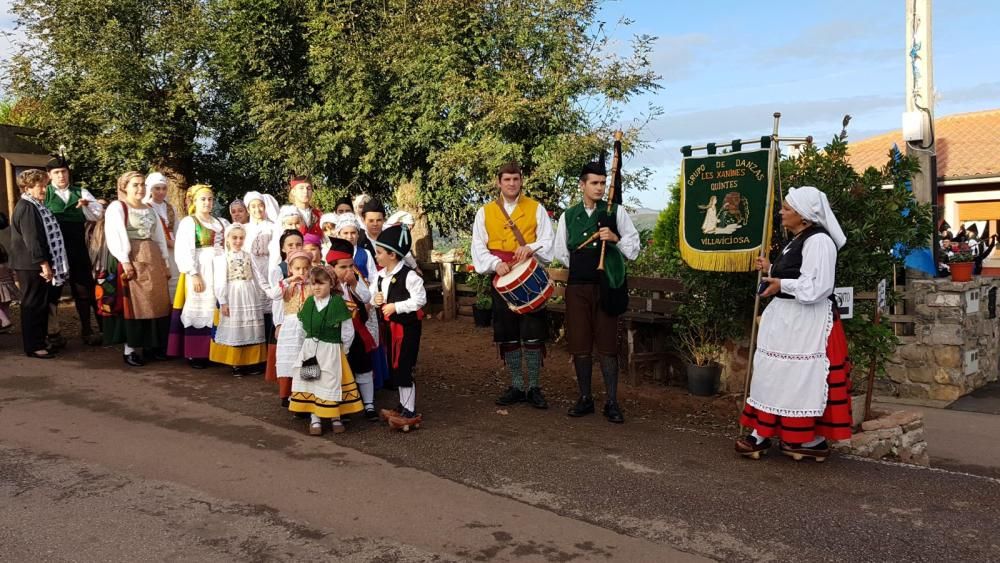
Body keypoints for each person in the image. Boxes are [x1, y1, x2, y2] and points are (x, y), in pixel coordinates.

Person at [736, 186, 853, 462]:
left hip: (806, 324)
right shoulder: (799, 239)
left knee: (799, 379)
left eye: (786, 208)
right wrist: (770, 269)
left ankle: (809, 438)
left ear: (803, 215)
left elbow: (818, 287)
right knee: (774, 375)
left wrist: (780, 283)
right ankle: (762, 431)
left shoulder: (819, 242)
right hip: (788, 321)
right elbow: (798, 273)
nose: (781, 212)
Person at [553, 161, 641, 424]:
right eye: (594, 183)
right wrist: (584, 267)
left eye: (603, 183)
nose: (600, 188)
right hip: (578, 288)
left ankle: (612, 402)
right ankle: (585, 398)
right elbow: (561, 252)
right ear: (582, 185)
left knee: (607, 346)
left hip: (607, 287)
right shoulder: (568, 215)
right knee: (580, 344)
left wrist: (614, 238)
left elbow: (634, 248)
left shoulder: (616, 211)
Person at [471, 162, 555, 409]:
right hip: (502, 279)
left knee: (532, 335)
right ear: (499, 182)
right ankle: (518, 384)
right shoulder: (484, 212)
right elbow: (478, 246)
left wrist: (531, 247)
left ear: (521, 180)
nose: (511, 183)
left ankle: (534, 387)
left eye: (515, 179)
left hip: (529, 278)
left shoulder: (536, 208)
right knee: (507, 334)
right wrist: (495, 264)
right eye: (506, 179)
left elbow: (548, 240)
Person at [102, 171, 173, 366]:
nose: (140, 188)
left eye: (142, 184)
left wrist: (165, 263)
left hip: (152, 257)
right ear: (124, 187)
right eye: (135, 185)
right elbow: (114, 234)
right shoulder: (118, 207)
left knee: (156, 301)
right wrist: (125, 260)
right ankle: (130, 349)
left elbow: (158, 236)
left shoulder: (150, 208)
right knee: (135, 303)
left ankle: (153, 345)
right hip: (131, 256)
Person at [288, 265, 365, 436]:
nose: (316, 287)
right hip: (310, 349)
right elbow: (301, 329)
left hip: (331, 350)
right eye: (313, 284)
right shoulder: (309, 303)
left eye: (321, 283)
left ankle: (334, 417)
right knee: (312, 381)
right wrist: (302, 349)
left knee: (331, 381)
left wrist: (343, 349)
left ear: (331, 283)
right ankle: (315, 418)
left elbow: (347, 330)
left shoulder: (337, 303)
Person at [167, 184, 229, 368]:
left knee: (217, 305)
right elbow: (183, 250)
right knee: (200, 308)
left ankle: (216, 350)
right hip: (201, 268)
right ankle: (196, 353)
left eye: (210, 199)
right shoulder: (189, 222)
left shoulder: (221, 222)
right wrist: (193, 274)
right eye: (203, 199)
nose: (207, 202)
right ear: (194, 201)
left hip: (219, 268)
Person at [10, 168, 69, 358]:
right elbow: (32, 239)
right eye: (40, 186)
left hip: (34, 263)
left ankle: (40, 340)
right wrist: (44, 264)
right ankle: (34, 346)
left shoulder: (35, 205)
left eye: (44, 186)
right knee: (32, 305)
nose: (44, 190)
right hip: (30, 265)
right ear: (27, 188)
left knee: (40, 304)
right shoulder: (27, 207)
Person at [44, 156, 103, 347]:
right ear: (49, 175)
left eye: (64, 172)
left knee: (83, 289)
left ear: (68, 173)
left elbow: (98, 214)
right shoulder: (44, 194)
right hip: (53, 249)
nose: (61, 176)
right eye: (56, 173)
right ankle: (53, 332)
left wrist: (87, 205)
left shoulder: (81, 191)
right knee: (53, 291)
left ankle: (87, 329)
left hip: (77, 246)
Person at [373, 224, 427, 431]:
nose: (376, 257)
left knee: (405, 366)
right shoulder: (380, 276)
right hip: (391, 329)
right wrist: (377, 298)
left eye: (379, 253)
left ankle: (410, 411)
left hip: (407, 329)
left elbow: (420, 300)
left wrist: (396, 306)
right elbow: (373, 295)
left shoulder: (410, 276)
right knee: (395, 367)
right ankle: (403, 405)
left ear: (392, 255)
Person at [329, 237, 380, 420]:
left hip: (357, 330)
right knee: (341, 369)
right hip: (336, 334)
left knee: (363, 366)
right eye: (343, 267)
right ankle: (342, 406)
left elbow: (366, 297)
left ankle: (369, 404)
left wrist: (354, 283)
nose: (349, 271)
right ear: (332, 267)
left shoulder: (354, 281)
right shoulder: (326, 285)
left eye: (351, 266)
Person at [210, 224, 267, 375]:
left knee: (251, 327)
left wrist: (268, 290)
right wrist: (223, 301)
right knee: (237, 328)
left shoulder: (248, 255)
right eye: (234, 238)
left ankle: (252, 361)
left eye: (241, 238)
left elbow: (258, 276)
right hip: (233, 294)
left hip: (249, 293)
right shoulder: (223, 258)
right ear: (227, 239)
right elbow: (220, 281)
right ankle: (237, 363)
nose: (238, 241)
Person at [263, 230, 304, 406]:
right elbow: (277, 298)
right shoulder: (279, 270)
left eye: (298, 244)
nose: (294, 248)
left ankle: (305, 393)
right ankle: (287, 393)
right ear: (283, 248)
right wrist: (279, 323)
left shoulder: (308, 267)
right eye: (290, 245)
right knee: (289, 356)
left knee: (305, 356)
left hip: (305, 321)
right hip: (287, 319)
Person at [275, 250, 313, 407]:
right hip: (291, 328)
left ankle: (307, 394)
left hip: (308, 327)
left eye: (305, 268)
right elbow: (274, 296)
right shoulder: (286, 286)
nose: (301, 272)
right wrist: (288, 280)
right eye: (297, 269)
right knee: (292, 360)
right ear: (290, 269)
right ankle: (292, 394)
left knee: (307, 359)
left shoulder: (313, 285)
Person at [142, 172, 180, 298]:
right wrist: (165, 241)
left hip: (173, 249)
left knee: (175, 279)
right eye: (157, 188)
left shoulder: (170, 208)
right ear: (150, 190)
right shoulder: (146, 208)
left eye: (164, 188)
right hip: (156, 249)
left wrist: (177, 242)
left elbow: (177, 229)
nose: (161, 192)